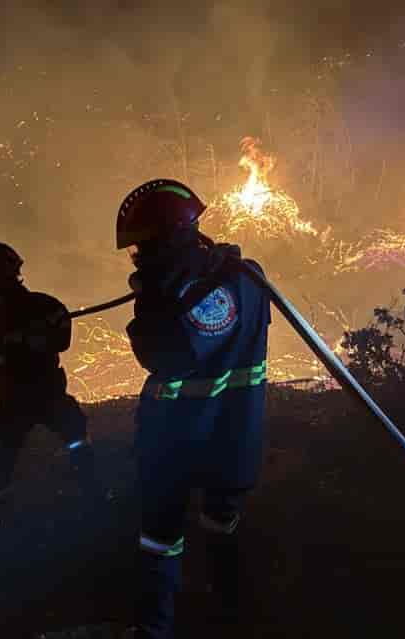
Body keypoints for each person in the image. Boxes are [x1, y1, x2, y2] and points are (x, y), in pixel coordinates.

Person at [116, 179, 271, 637]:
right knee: (220, 523)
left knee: (161, 535)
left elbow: (166, 356)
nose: (137, 257)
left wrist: (151, 301)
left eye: (143, 246)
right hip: (231, 437)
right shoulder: (236, 275)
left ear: (171, 237)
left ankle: (156, 626)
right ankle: (230, 611)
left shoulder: (218, 290)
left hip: (183, 440)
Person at [0, 242, 99, 544]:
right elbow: (62, 341)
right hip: (52, 394)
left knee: (1, 460)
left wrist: (3, 357)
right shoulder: (48, 306)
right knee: (76, 434)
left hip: (16, 405)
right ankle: (93, 494)